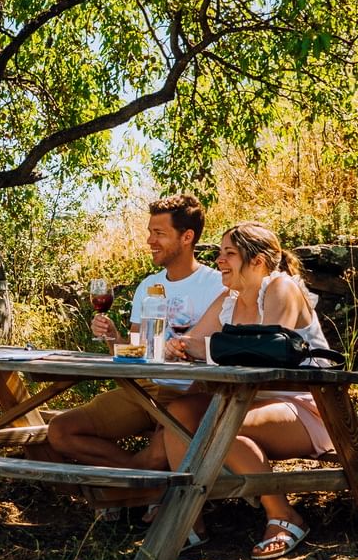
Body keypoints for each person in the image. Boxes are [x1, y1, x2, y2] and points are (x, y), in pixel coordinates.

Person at [144, 221, 336, 559]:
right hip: (247, 405)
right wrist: (181, 346)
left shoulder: (281, 288)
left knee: (218, 423)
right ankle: (190, 517)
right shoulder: (229, 298)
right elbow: (194, 341)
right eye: (220, 253)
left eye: (229, 254)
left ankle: (284, 516)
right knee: (179, 415)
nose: (219, 260)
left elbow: (265, 351)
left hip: (304, 407)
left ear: (258, 260)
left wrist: (205, 348)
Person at [45, 194, 225, 469]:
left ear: (187, 237)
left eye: (159, 233)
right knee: (61, 430)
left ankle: (132, 489)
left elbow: (220, 355)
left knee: (157, 456)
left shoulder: (216, 286)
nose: (150, 241)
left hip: (191, 395)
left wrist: (194, 390)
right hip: (145, 390)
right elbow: (135, 353)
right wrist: (112, 338)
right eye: (150, 232)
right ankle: (140, 483)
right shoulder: (147, 286)